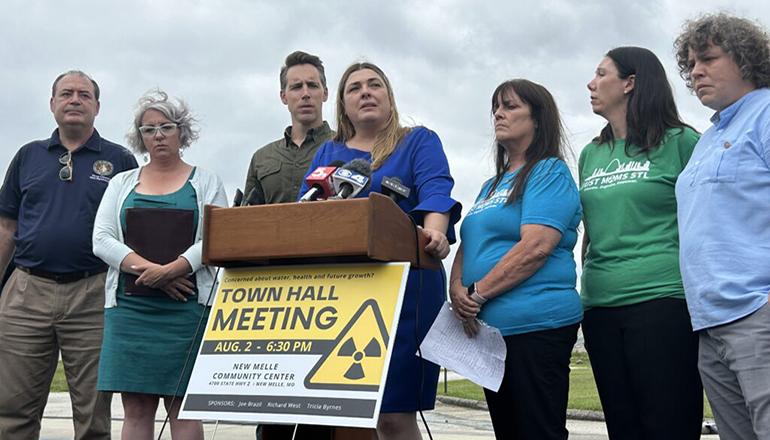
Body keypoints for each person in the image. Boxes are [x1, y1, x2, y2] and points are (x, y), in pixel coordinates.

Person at [300, 62, 460, 440]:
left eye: (375, 85)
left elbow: (436, 190)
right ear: (343, 103)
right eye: (354, 88)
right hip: (342, 290)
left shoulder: (418, 140)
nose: (365, 92)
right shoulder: (328, 151)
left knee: (393, 415)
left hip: (407, 287)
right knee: (351, 416)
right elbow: (305, 208)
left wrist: (435, 234)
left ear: (389, 97)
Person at [0, 70, 138, 439]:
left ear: (96, 106)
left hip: (93, 293)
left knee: (93, 414)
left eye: (83, 94)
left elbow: (133, 230)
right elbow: (6, 228)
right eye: (66, 94)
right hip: (27, 292)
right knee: (12, 410)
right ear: (52, 105)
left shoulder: (120, 160)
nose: (74, 99)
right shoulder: (28, 156)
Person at [578, 46, 703, 440]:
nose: (590, 83)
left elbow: (707, 221)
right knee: (623, 427)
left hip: (663, 301)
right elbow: (592, 232)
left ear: (630, 83)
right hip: (600, 306)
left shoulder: (683, 142)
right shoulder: (591, 154)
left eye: (601, 74)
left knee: (668, 425)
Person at [449, 79, 582, 440]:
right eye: (495, 107)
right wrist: (456, 289)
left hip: (535, 324)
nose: (498, 114)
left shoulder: (548, 171)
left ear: (537, 118)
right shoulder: (489, 186)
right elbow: (468, 243)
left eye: (510, 106)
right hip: (491, 334)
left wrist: (476, 294)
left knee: (537, 431)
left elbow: (536, 247)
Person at [92, 90, 227, 440]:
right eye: (148, 129)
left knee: (183, 410)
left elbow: (217, 238)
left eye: (165, 126)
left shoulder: (207, 181)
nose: (158, 135)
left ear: (182, 131)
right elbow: (102, 239)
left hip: (186, 311)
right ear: (140, 137)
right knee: (135, 410)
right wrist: (154, 274)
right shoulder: (121, 182)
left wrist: (174, 270)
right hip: (130, 311)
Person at [674, 13, 770, 439]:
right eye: (691, 63)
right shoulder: (708, 138)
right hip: (710, 324)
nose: (695, 71)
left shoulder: (765, 115)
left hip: (758, 314)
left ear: (747, 60)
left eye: (708, 58)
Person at [244, 51, 334, 204]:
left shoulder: (345, 147)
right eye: (296, 87)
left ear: (325, 93)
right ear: (283, 97)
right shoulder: (261, 158)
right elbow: (245, 218)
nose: (305, 94)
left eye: (312, 85)